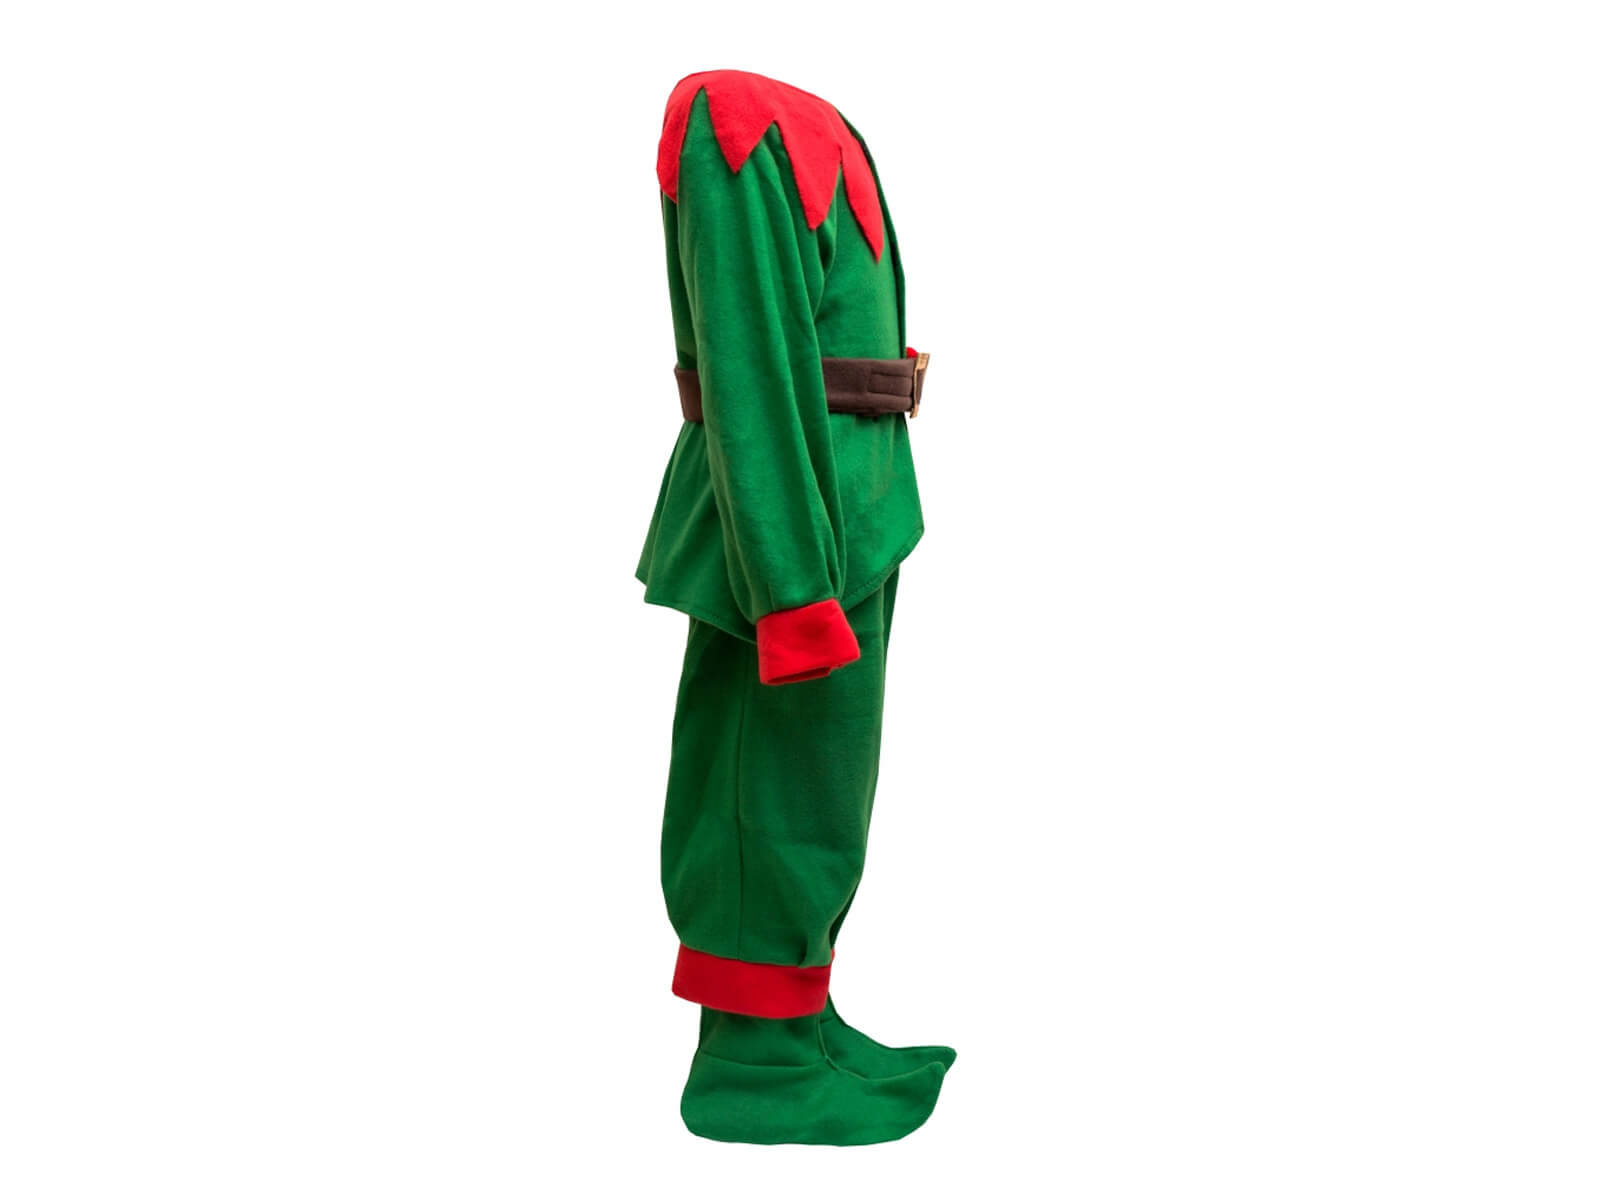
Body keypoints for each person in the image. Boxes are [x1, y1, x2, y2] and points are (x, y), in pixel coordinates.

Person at [636, 68, 953, 1145]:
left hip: (854, 508)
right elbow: (750, 367)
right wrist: (787, 582)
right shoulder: (734, 121)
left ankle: (799, 1021)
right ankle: (751, 1064)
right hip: (789, 521)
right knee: (757, 789)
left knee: (819, 790)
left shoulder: (822, 124)